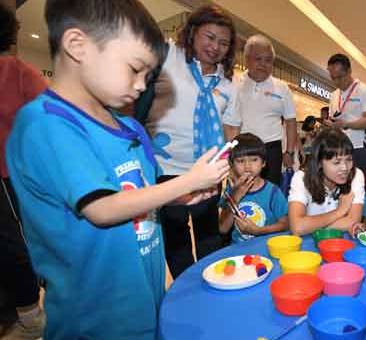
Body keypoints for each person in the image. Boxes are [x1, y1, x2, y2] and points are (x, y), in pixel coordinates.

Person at [5, 1, 231, 338]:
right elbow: (101, 208)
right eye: (135, 69)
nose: (142, 85)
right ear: (77, 46)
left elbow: (136, 196)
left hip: (145, 300)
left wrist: (179, 196)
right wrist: (189, 178)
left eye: (148, 75)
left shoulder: (132, 129)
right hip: (96, 318)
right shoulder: (47, 125)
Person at [144, 4, 241, 277]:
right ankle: (184, 289)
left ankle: (210, 286)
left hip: (208, 172)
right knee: (176, 238)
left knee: (208, 234)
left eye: (223, 43)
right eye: (209, 37)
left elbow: (230, 130)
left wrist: (225, 164)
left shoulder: (228, 83)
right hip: (167, 168)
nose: (215, 47)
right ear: (193, 32)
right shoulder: (167, 56)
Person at [0, 4, 47, 338]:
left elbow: (53, 123)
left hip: (9, 175)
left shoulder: (18, 72)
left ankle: (30, 316)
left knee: (14, 245)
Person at [233, 35, 298, 186]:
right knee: (242, 190)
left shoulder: (282, 88)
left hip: (272, 149)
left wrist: (289, 152)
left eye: (268, 60)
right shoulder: (234, 84)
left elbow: (291, 121)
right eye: (258, 59)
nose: (263, 64)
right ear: (247, 59)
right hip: (242, 149)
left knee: (271, 191)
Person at [288, 127, 365, 235]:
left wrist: (310, 226)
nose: (345, 168)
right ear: (319, 163)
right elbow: (297, 227)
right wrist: (339, 211)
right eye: (336, 162)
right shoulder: (301, 178)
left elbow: (352, 221)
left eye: (348, 159)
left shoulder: (356, 175)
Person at [219, 133, 288, 243]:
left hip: (266, 247)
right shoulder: (231, 190)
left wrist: (258, 231)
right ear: (232, 164)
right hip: (239, 249)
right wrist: (235, 197)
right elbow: (223, 228)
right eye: (240, 161)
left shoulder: (273, 192)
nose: (247, 166)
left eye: (254, 160)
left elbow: (286, 224)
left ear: (264, 162)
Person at [325, 53, 366, 174]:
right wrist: (332, 125)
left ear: (349, 71)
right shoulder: (334, 95)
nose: (337, 81)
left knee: (356, 186)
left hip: (357, 147)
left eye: (340, 77)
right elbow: (335, 120)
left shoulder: (364, 90)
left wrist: (346, 124)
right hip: (338, 149)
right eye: (333, 78)